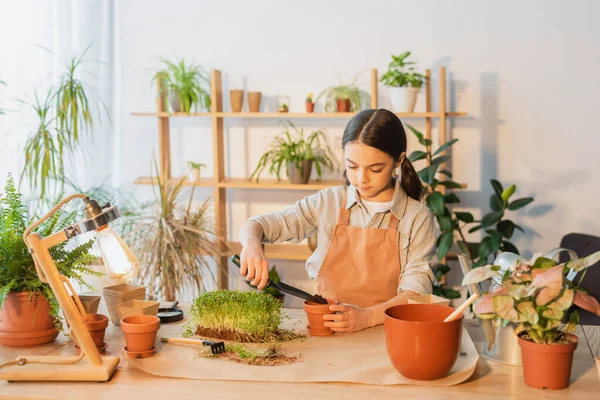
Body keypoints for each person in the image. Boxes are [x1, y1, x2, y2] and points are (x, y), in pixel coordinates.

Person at [238, 108, 437, 333]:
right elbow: (259, 225)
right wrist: (252, 244)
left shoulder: (417, 218)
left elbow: (416, 292)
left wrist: (367, 317)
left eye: (375, 168)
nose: (361, 178)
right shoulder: (328, 202)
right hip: (326, 332)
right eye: (352, 166)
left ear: (398, 160)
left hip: (386, 336)